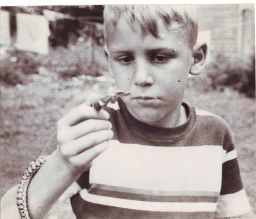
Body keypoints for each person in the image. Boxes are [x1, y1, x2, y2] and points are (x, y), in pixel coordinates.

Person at [1, 5, 252, 219]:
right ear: (109, 60)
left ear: (196, 58)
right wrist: (64, 163)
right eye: (125, 59)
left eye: (160, 57)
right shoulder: (92, 130)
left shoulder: (216, 133)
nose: (141, 78)